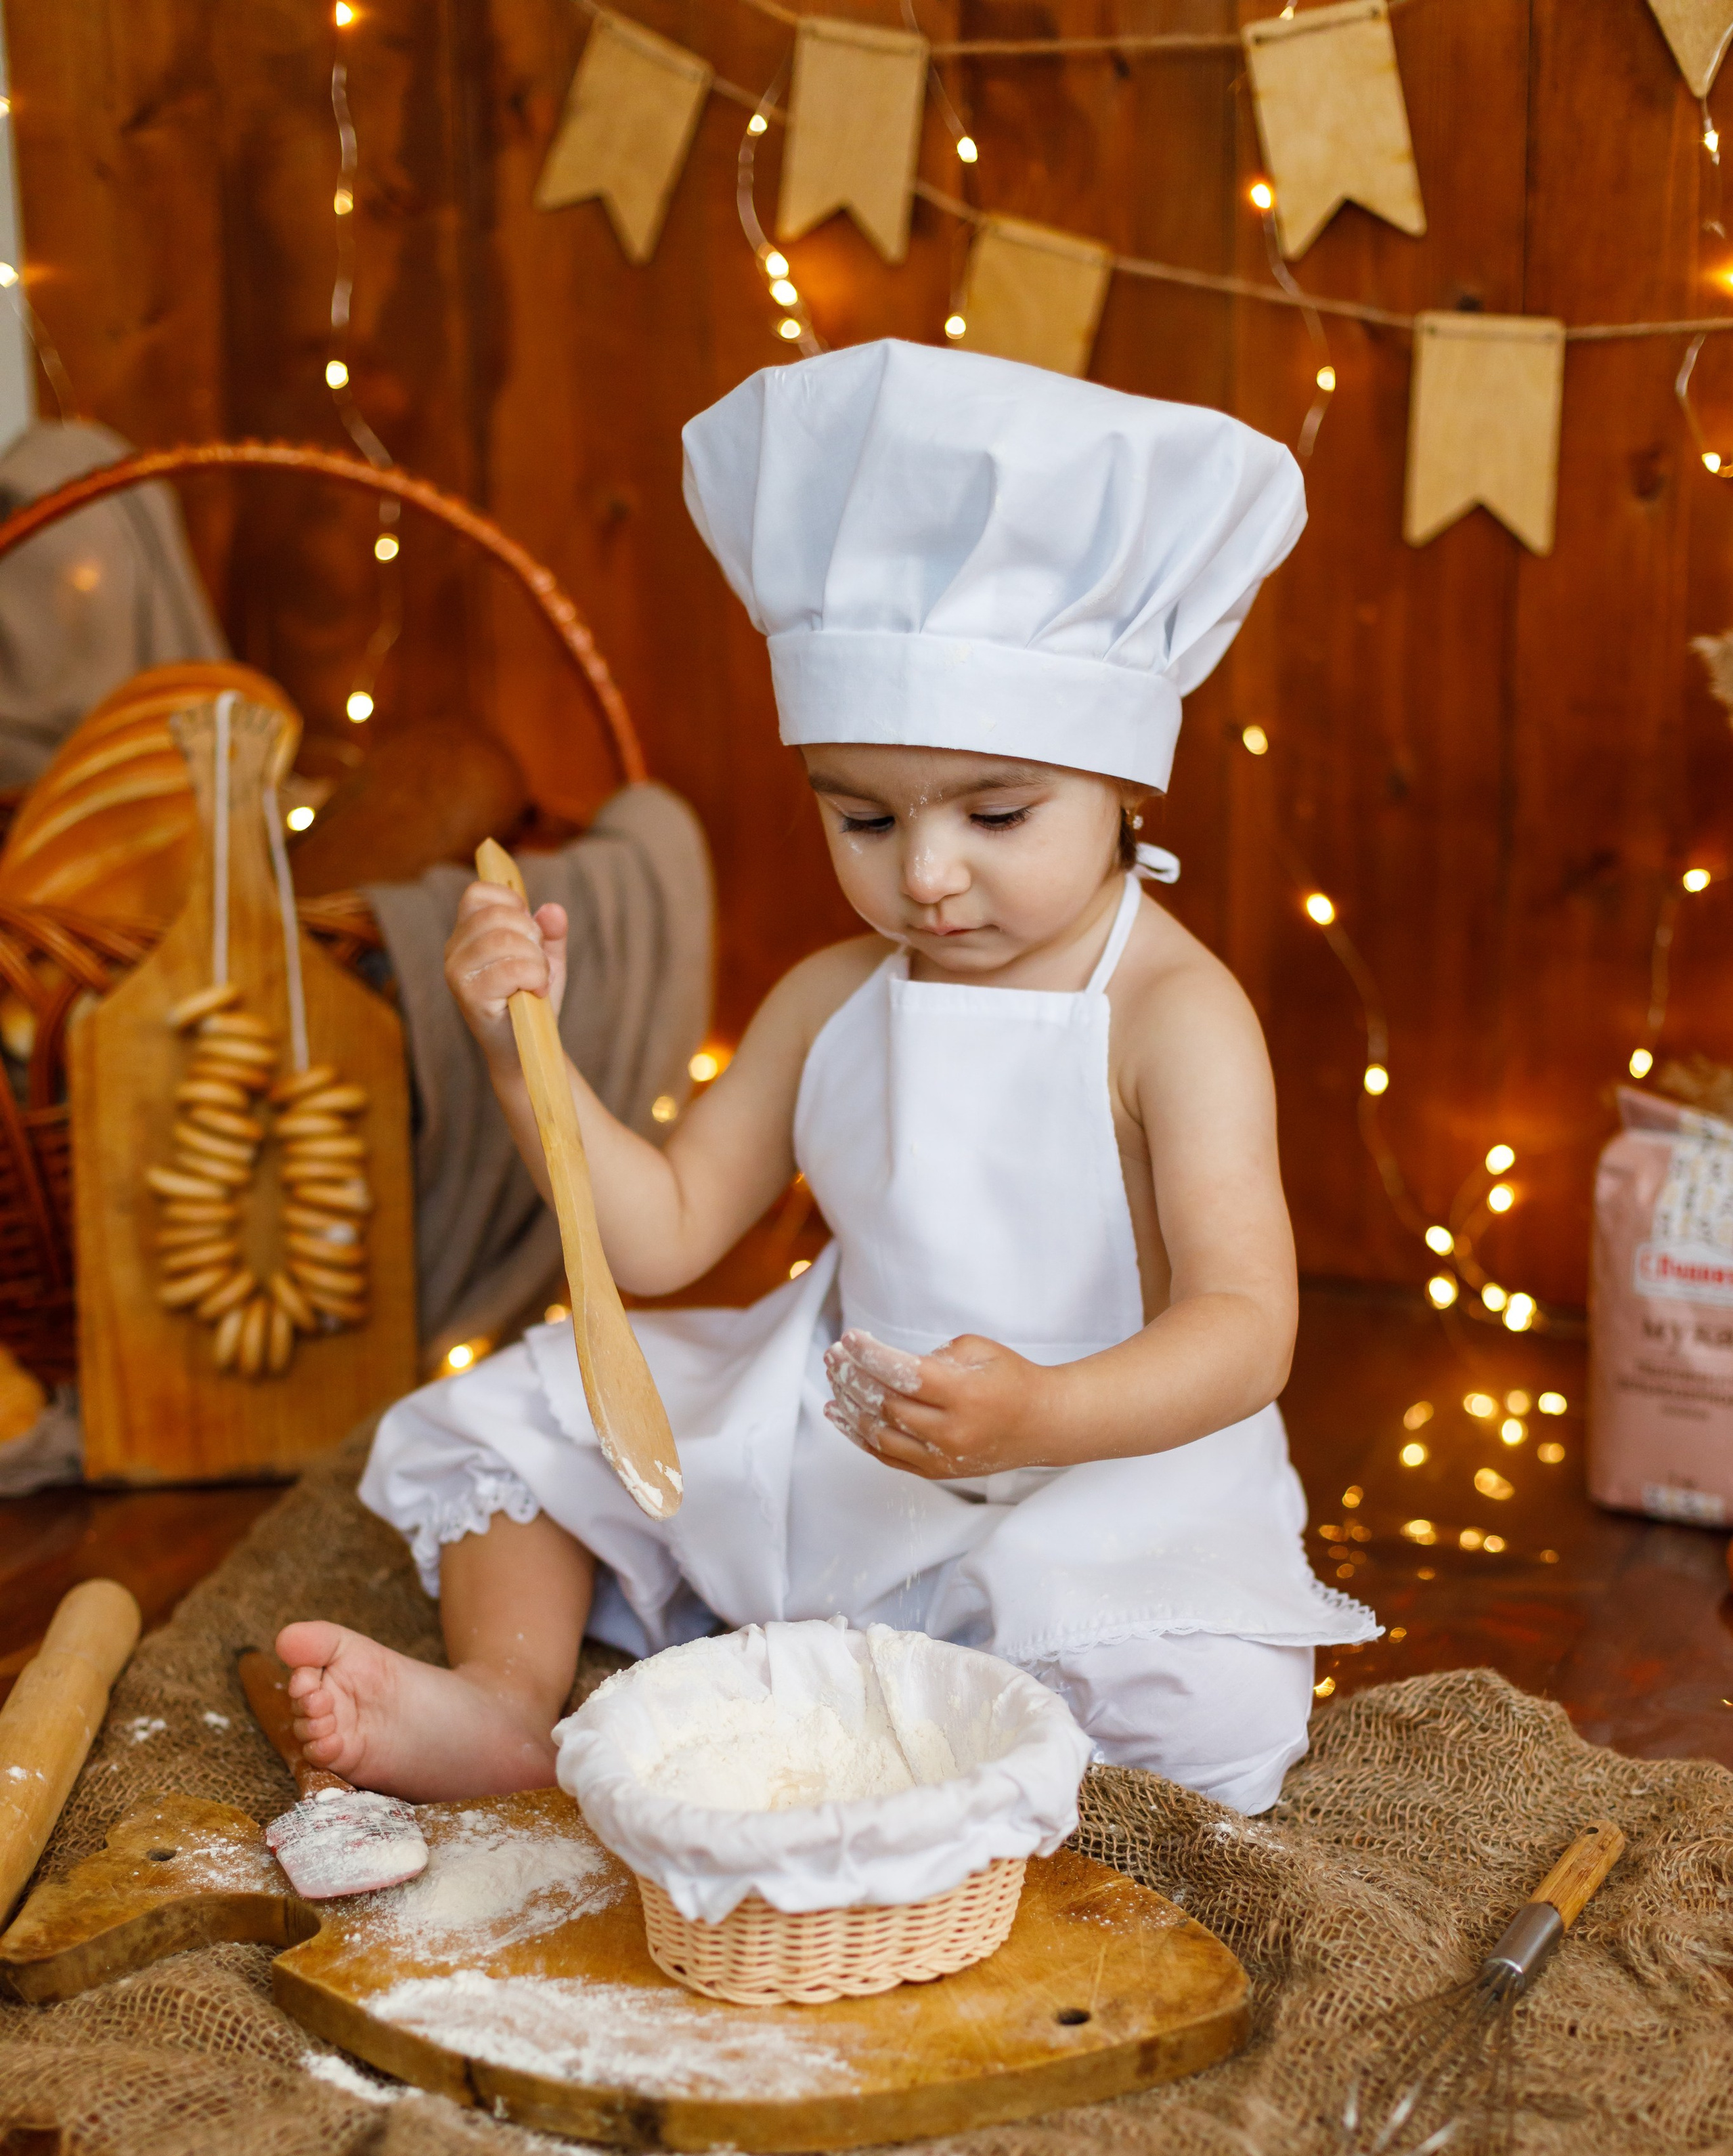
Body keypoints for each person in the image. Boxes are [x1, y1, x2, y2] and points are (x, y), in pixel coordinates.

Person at [278, 339, 1378, 1813]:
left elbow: (1244, 1329)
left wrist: (1040, 1415)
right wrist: (513, 1044)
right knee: (513, 1427)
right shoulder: (835, 996)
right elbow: (660, 1230)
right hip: (839, 1439)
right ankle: (502, 1706)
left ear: (1123, 781)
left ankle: (933, 1719)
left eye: (995, 813)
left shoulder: (1169, 1014)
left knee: (1199, 1701)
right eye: (862, 819)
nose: (925, 876)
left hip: (1094, 1460)